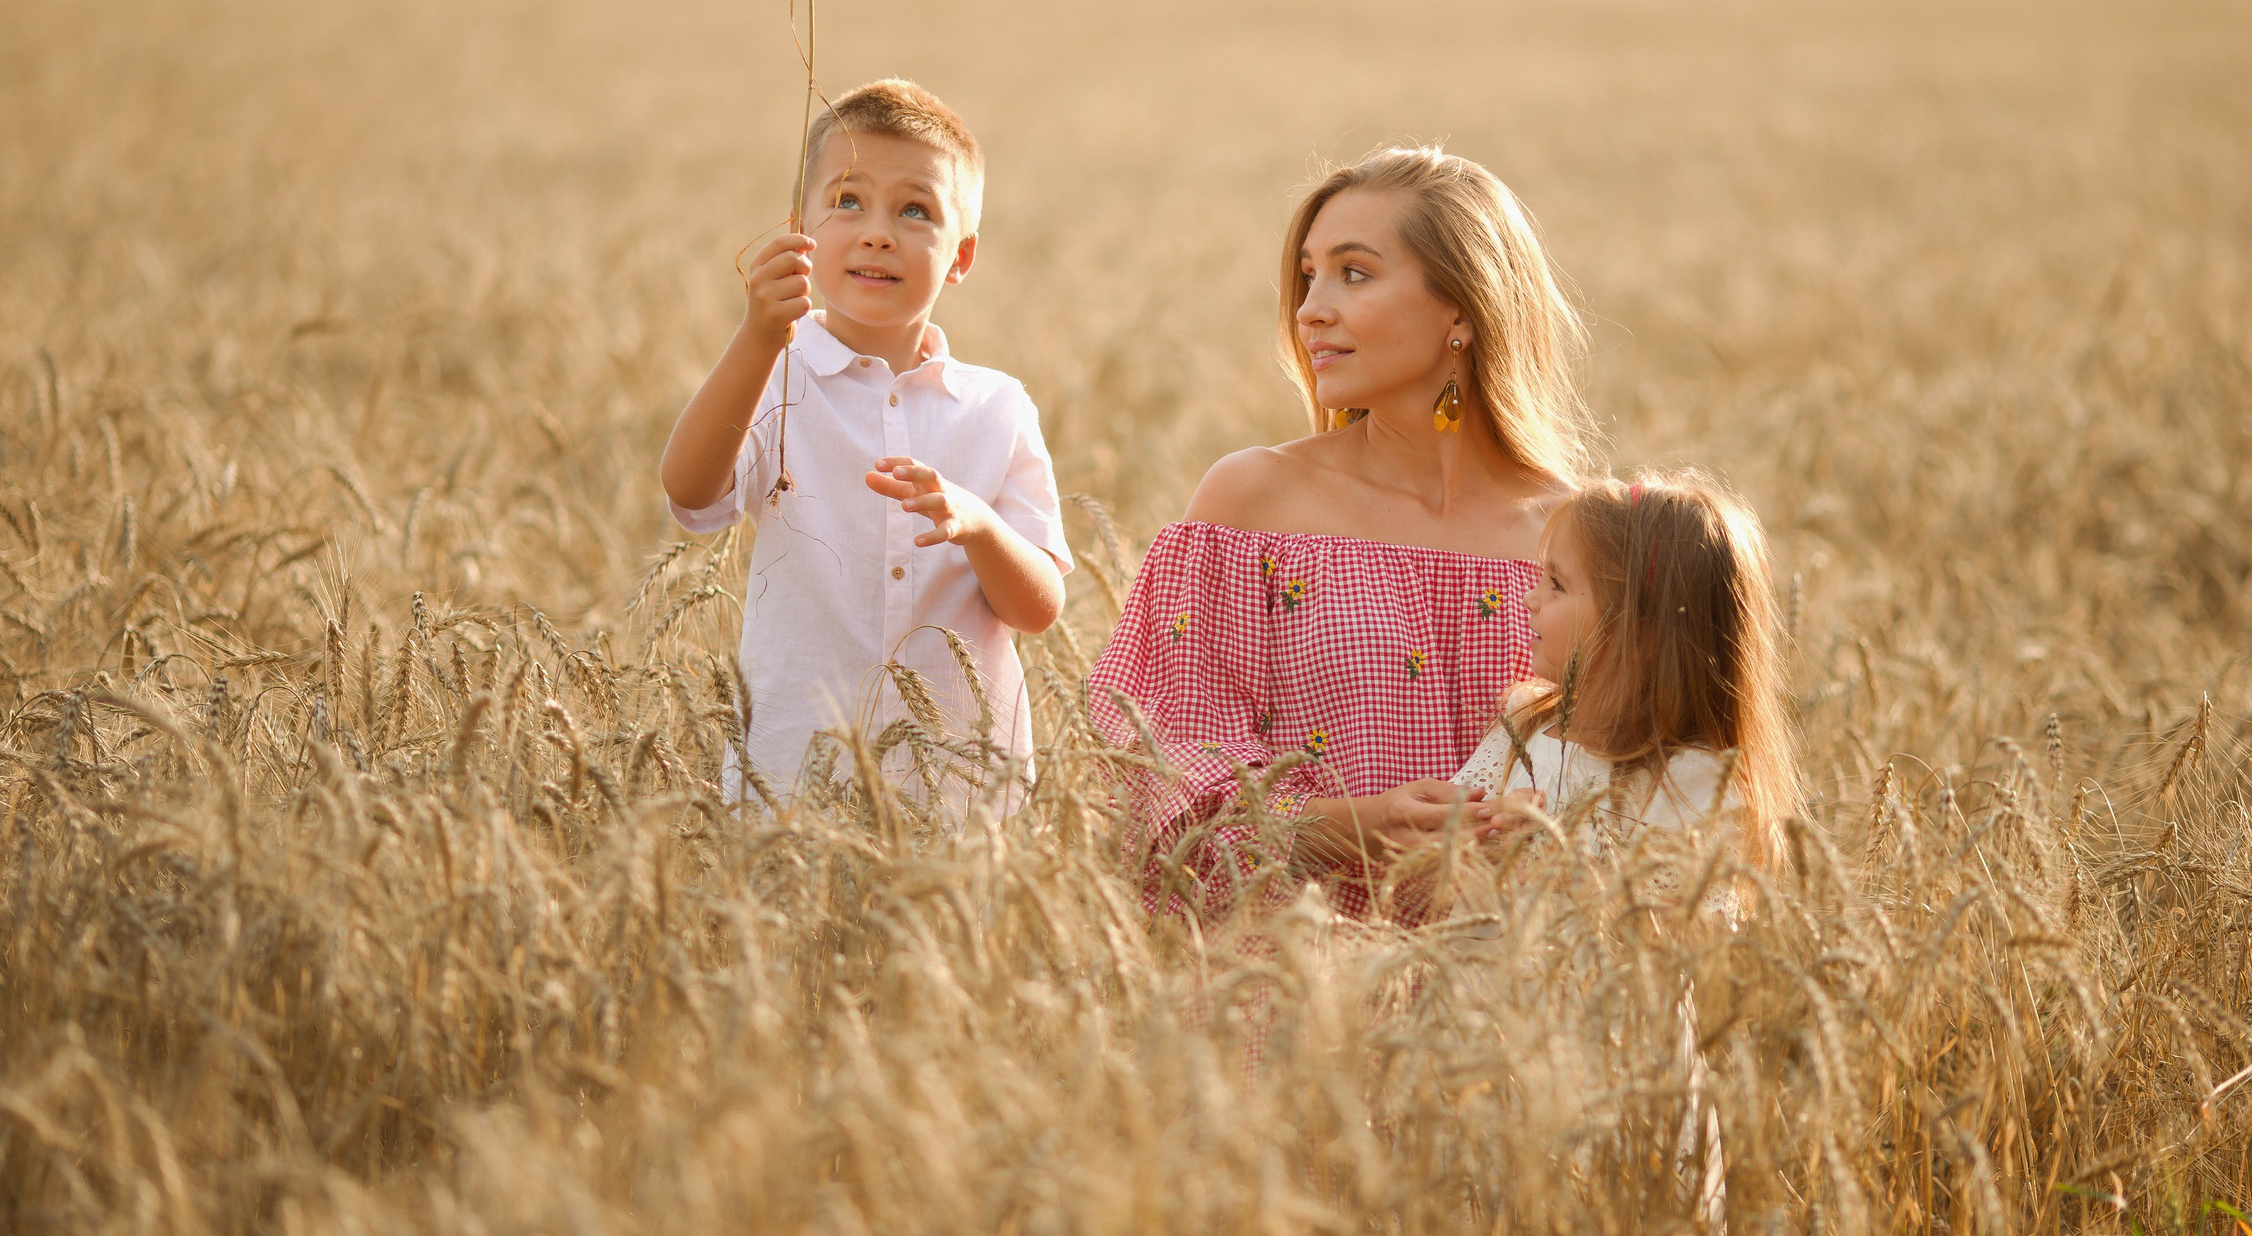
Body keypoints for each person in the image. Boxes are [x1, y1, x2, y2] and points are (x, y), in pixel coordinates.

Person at [1088, 146, 1599, 928]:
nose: (1310, 309)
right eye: (1307, 277)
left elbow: (1663, 791)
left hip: (1519, 1014)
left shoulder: (1579, 536)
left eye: (1353, 274)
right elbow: (1160, 770)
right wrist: (1347, 828)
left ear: (1460, 308)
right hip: (1299, 1003)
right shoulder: (1253, 505)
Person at [661, 79, 1071, 803]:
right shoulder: (774, 377)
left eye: (916, 211)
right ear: (800, 229)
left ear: (962, 256)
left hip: (956, 783)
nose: (878, 231)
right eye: (848, 201)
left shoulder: (996, 407)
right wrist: (757, 336)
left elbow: (1038, 608)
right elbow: (689, 490)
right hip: (793, 773)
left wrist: (977, 524)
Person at [1454, 470, 1798, 901]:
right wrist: (1485, 836)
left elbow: (1689, 940)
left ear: (1638, 637)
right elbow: (1437, 867)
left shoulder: (1695, 784)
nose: (1530, 597)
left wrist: (1567, 872)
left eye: (1557, 584)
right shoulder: (1523, 723)